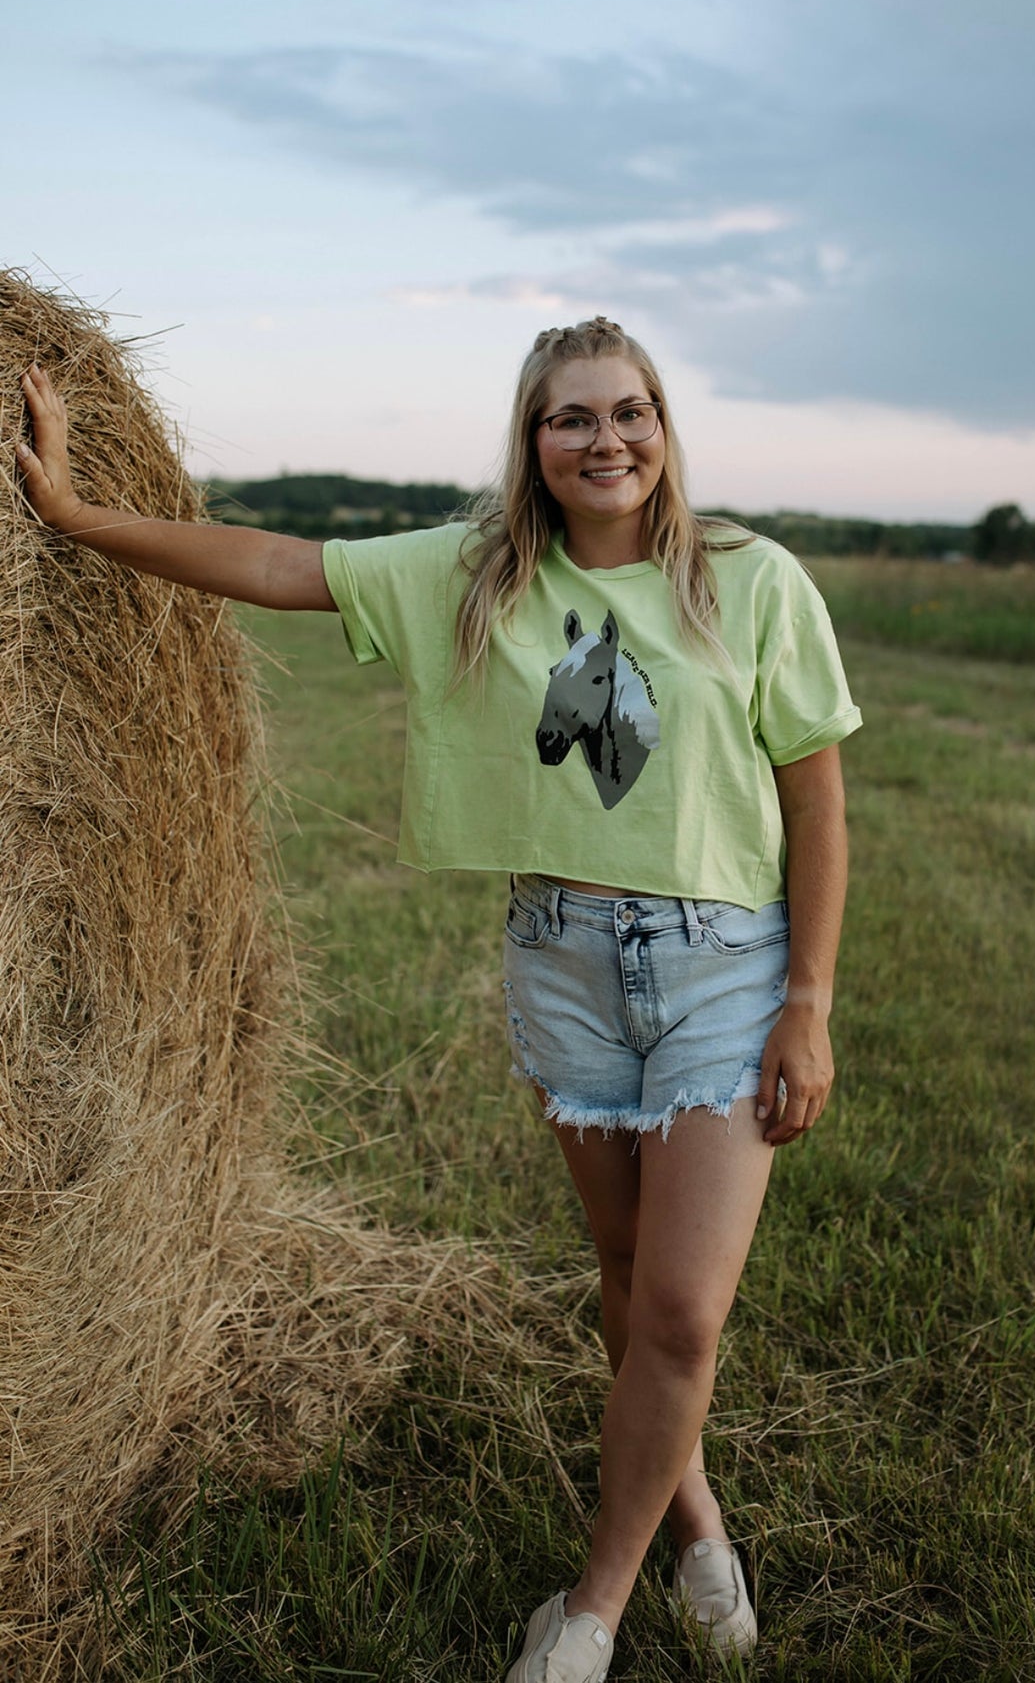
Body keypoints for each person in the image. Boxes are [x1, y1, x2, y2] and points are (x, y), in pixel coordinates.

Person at [18, 317, 861, 1681]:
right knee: (626, 1272)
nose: (606, 439)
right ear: (534, 441)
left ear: (664, 427)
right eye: (572, 416)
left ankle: (588, 1610)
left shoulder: (749, 579)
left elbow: (816, 797)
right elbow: (277, 565)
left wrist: (806, 1001)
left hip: (723, 970)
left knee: (681, 1311)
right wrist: (74, 516)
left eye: (630, 411)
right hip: (562, 964)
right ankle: (695, 1514)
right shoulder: (476, 577)